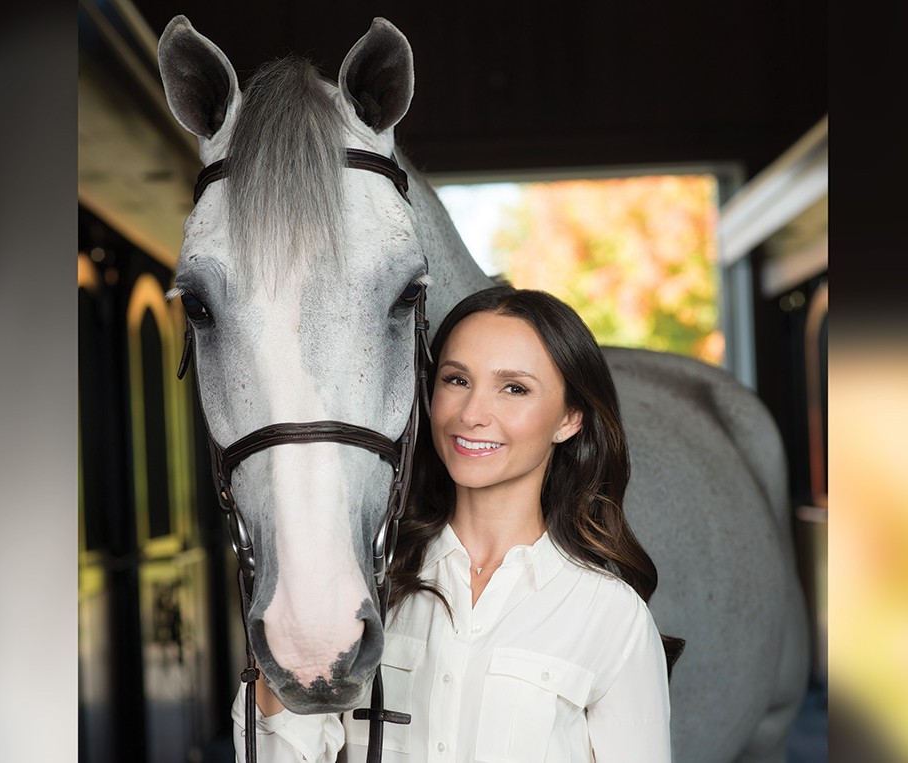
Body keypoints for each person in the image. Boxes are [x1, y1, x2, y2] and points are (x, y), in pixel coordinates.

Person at [236, 285, 671, 761]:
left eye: (514, 388)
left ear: (569, 418)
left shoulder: (611, 616)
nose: (471, 414)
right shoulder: (362, 588)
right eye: (456, 380)